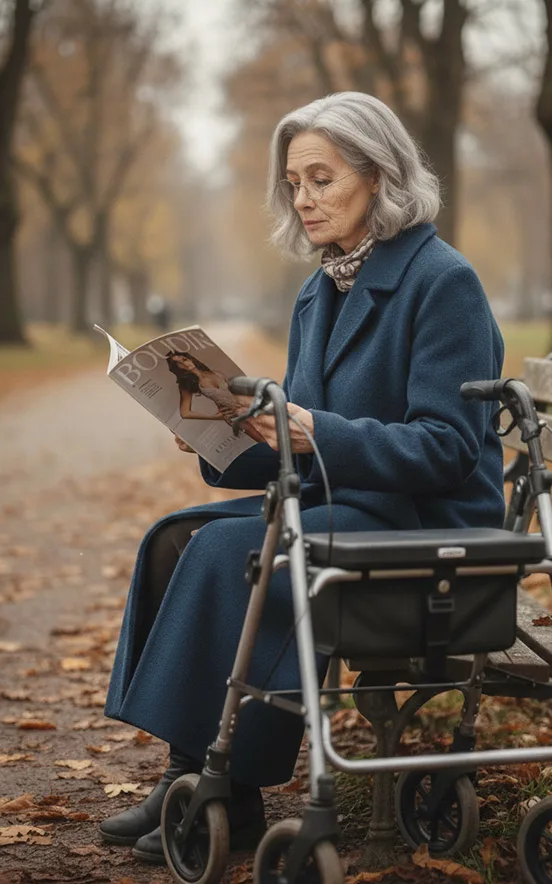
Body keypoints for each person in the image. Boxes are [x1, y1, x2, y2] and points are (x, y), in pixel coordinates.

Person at [101, 92, 506, 865]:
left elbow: (448, 448)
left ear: (379, 175)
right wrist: (218, 438)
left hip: (430, 525)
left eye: (321, 179)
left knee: (238, 553)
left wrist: (317, 430)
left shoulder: (443, 281)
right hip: (352, 506)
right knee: (174, 537)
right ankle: (193, 772)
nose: (304, 199)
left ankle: (226, 781)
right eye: (294, 184)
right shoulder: (321, 290)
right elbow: (300, 441)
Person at [165, 351, 248, 425]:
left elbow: (231, 392)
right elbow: (185, 413)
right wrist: (215, 417)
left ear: (190, 359)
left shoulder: (215, 373)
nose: (185, 364)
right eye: (179, 364)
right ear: (178, 369)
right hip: (235, 417)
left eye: (184, 360)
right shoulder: (186, 384)